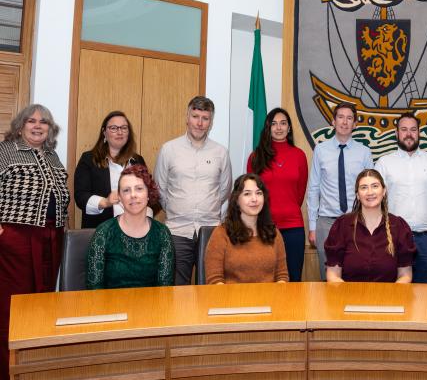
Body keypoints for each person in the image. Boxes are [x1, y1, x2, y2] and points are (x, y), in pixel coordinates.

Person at [0, 104, 69, 380]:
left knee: (40, 306)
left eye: (44, 122)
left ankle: (31, 375)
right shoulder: (5, 150)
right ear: (20, 125)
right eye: (31, 121)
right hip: (16, 237)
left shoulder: (52, 156)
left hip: (51, 237)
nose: (38, 126)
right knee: (11, 309)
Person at [154, 96, 232, 285]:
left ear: (211, 122)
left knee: (212, 286)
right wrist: (178, 209)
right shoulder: (169, 149)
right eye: (195, 116)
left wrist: (208, 207)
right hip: (177, 231)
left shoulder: (221, 152)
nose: (199, 123)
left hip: (211, 230)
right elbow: (160, 188)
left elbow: (225, 190)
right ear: (187, 117)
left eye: (205, 118)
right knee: (177, 289)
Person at [375, 112, 427, 283]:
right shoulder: (383, 163)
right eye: (404, 129)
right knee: (394, 291)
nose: (409, 134)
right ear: (396, 133)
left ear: (419, 133)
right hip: (392, 239)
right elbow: (374, 202)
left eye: (413, 129)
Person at [307, 103, 373, 279]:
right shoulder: (320, 151)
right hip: (326, 223)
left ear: (355, 124)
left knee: (355, 273)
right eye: (340, 117)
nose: (345, 122)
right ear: (333, 121)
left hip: (356, 222)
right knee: (327, 275)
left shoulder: (364, 152)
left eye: (349, 118)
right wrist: (313, 227)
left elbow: (372, 191)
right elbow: (313, 189)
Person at [86, 165, 174, 289]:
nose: (133, 195)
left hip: (151, 306)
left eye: (139, 189)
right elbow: (94, 289)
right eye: (126, 190)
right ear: (120, 198)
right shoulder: (104, 232)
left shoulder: (162, 233)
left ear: (149, 194)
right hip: (111, 307)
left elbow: (165, 289)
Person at [247, 108, 308, 282]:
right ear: (268, 127)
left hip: (293, 227)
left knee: (293, 278)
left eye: (283, 123)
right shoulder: (256, 157)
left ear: (289, 128)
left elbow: (300, 192)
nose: (278, 128)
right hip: (263, 226)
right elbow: (250, 193)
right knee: (264, 279)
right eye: (274, 124)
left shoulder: (299, 155)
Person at [324, 169, 415, 283]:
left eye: (375, 186)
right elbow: (333, 275)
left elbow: (405, 275)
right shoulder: (342, 225)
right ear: (357, 194)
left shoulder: (399, 226)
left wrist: (393, 298)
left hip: (389, 298)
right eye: (364, 187)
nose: (370, 192)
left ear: (384, 191)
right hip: (349, 297)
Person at [205, 174, 289, 284]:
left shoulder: (273, 233)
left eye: (258, 193)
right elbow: (214, 280)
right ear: (236, 200)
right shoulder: (221, 234)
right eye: (247, 194)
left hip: (269, 299)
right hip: (232, 300)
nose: (254, 199)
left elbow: (282, 276)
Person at [74, 111, 149, 229]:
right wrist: (105, 202)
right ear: (104, 132)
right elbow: (80, 197)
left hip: (134, 229)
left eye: (124, 128)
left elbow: (148, 193)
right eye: (114, 128)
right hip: (100, 229)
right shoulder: (89, 159)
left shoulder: (137, 160)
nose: (120, 132)